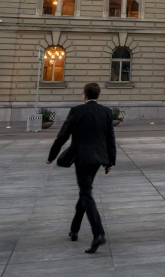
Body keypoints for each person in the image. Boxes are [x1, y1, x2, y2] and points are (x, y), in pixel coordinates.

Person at [47, 82, 116, 254]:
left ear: (84, 95)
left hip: (83, 158)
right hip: (99, 159)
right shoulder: (106, 112)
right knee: (84, 192)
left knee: (86, 193)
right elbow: (110, 139)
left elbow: (62, 135)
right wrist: (110, 161)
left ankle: (98, 233)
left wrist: (51, 156)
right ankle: (74, 228)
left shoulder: (77, 111)